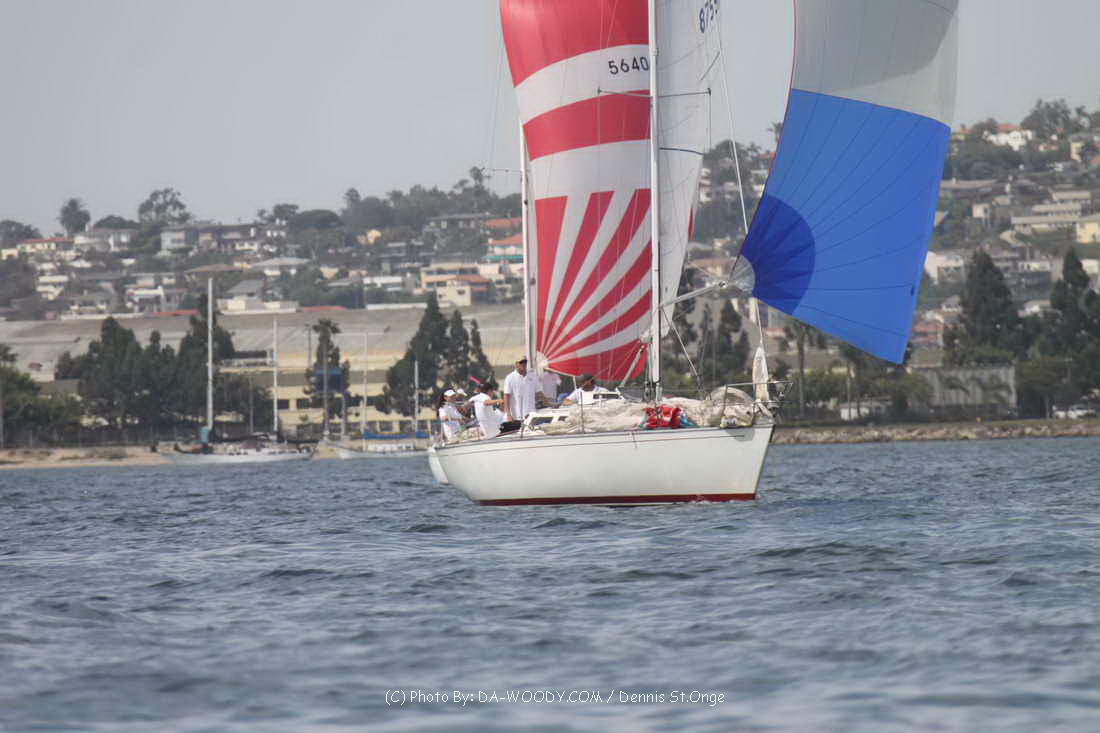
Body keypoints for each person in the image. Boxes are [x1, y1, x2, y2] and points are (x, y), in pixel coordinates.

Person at [503, 356, 540, 421]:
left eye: (525, 362)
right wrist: (508, 414)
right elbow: (506, 396)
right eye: (521, 362)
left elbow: (539, 392)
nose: (524, 364)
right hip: (516, 416)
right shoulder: (510, 378)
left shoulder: (533, 376)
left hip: (531, 415)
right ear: (516, 364)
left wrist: (549, 404)